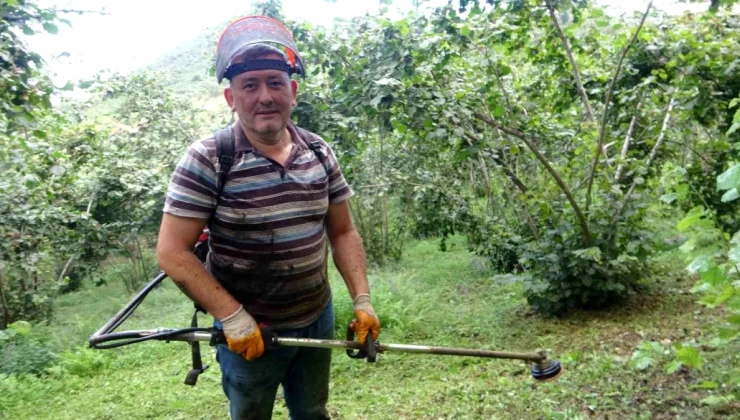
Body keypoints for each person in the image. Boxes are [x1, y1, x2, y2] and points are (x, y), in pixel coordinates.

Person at [156, 16, 381, 420]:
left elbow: (343, 232)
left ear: (292, 91)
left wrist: (362, 301)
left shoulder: (319, 152)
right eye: (250, 85)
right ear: (231, 97)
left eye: (275, 83)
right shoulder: (208, 158)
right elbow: (172, 253)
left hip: (316, 316)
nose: (265, 96)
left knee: (312, 410)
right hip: (250, 327)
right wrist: (232, 317)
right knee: (250, 413)